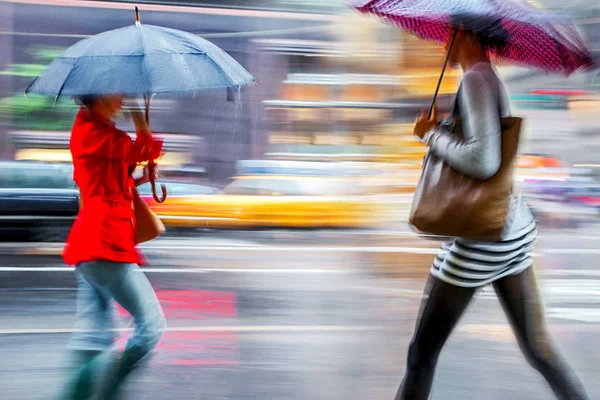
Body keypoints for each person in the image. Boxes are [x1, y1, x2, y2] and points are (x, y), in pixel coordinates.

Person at [396, 26, 589, 400]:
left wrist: (430, 135)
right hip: (510, 232)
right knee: (538, 349)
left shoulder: (475, 80)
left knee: (421, 354)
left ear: (465, 35)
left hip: (484, 241)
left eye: (448, 34)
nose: (442, 42)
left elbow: (483, 161)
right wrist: (442, 128)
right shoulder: (487, 78)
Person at [59, 95, 166, 400]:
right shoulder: (94, 132)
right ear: (99, 96)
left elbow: (110, 179)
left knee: (94, 335)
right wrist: (140, 117)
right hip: (104, 242)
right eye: (116, 91)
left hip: (94, 242)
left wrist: (141, 177)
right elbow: (144, 148)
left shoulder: (98, 131)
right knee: (151, 326)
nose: (121, 97)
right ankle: (107, 391)